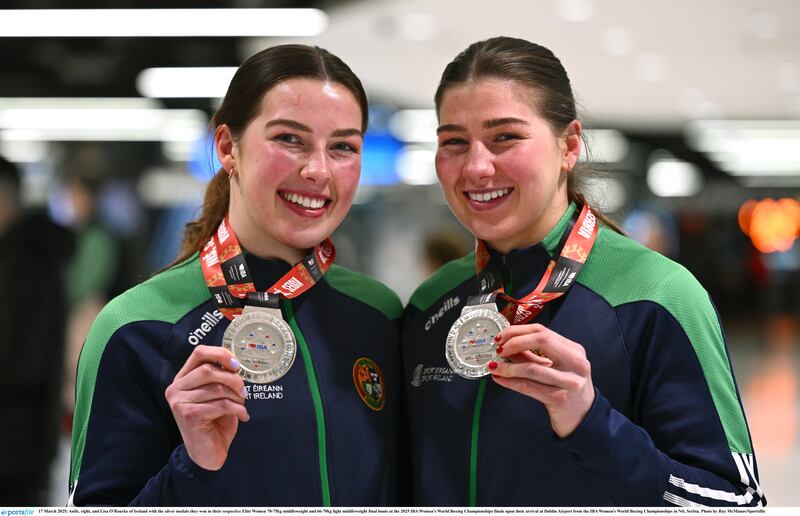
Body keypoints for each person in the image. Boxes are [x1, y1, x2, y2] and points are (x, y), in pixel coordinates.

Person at [401, 37, 764, 507]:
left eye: (505, 137)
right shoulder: (432, 301)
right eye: (453, 141)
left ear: (569, 145)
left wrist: (590, 422)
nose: (476, 166)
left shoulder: (657, 293)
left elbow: (735, 500)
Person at [69, 44, 403, 506]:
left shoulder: (379, 314)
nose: (318, 170)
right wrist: (194, 465)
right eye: (289, 138)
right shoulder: (136, 326)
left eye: (343, 147)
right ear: (228, 147)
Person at [0, 155, 74, 505]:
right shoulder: (27, 257)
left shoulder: (24, 264)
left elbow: (20, 360)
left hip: (15, 445)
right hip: (25, 441)